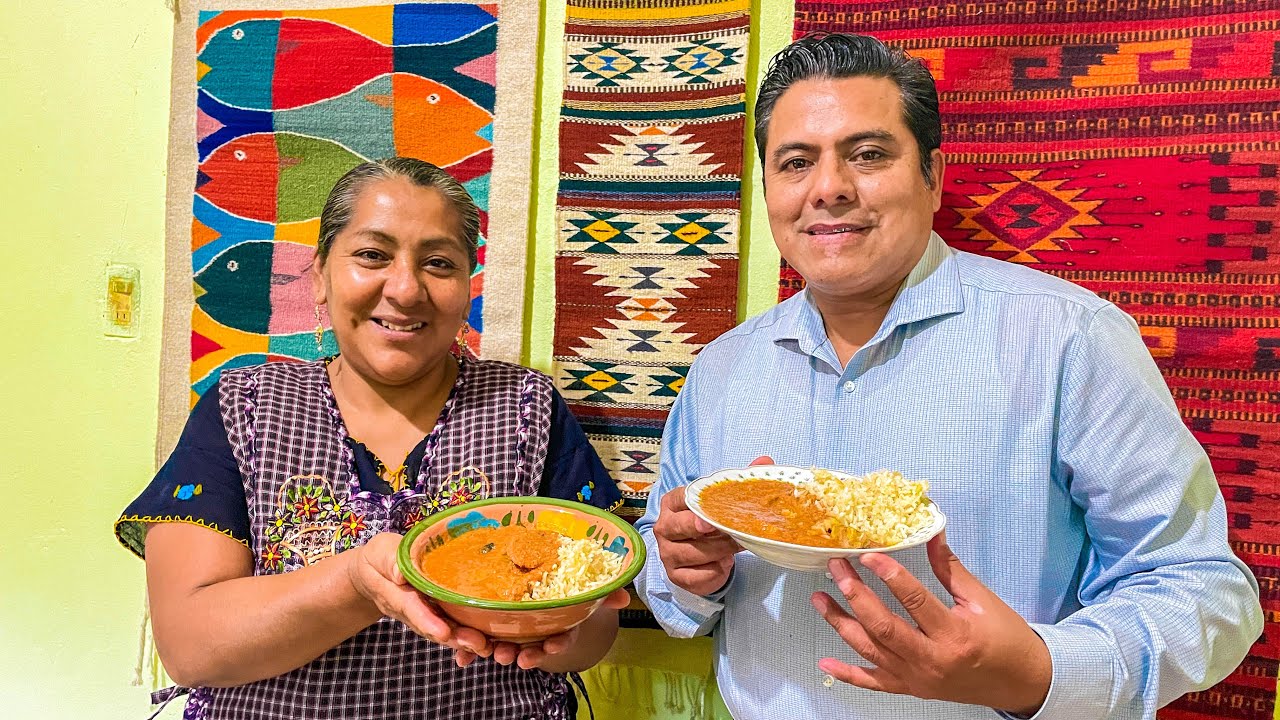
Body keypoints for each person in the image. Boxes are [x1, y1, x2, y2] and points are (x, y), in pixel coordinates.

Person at [635, 33, 1263, 719]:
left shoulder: (1064, 339)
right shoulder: (723, 368)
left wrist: (1034, 674)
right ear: (767, 190)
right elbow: (668, 579)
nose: (828, 189)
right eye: (794, 163)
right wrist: (685, 573)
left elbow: (1203, 589)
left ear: (932, 175)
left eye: (868, 155)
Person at [115, 157, 628, 720]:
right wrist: (355, 584)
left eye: (438, 263)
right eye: (372, 256)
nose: (405, 289)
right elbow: (189, 646)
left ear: (466, 286)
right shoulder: (244, 408)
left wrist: (547, 626)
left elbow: (595, 630)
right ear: (318, 275)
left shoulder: (526, 408)